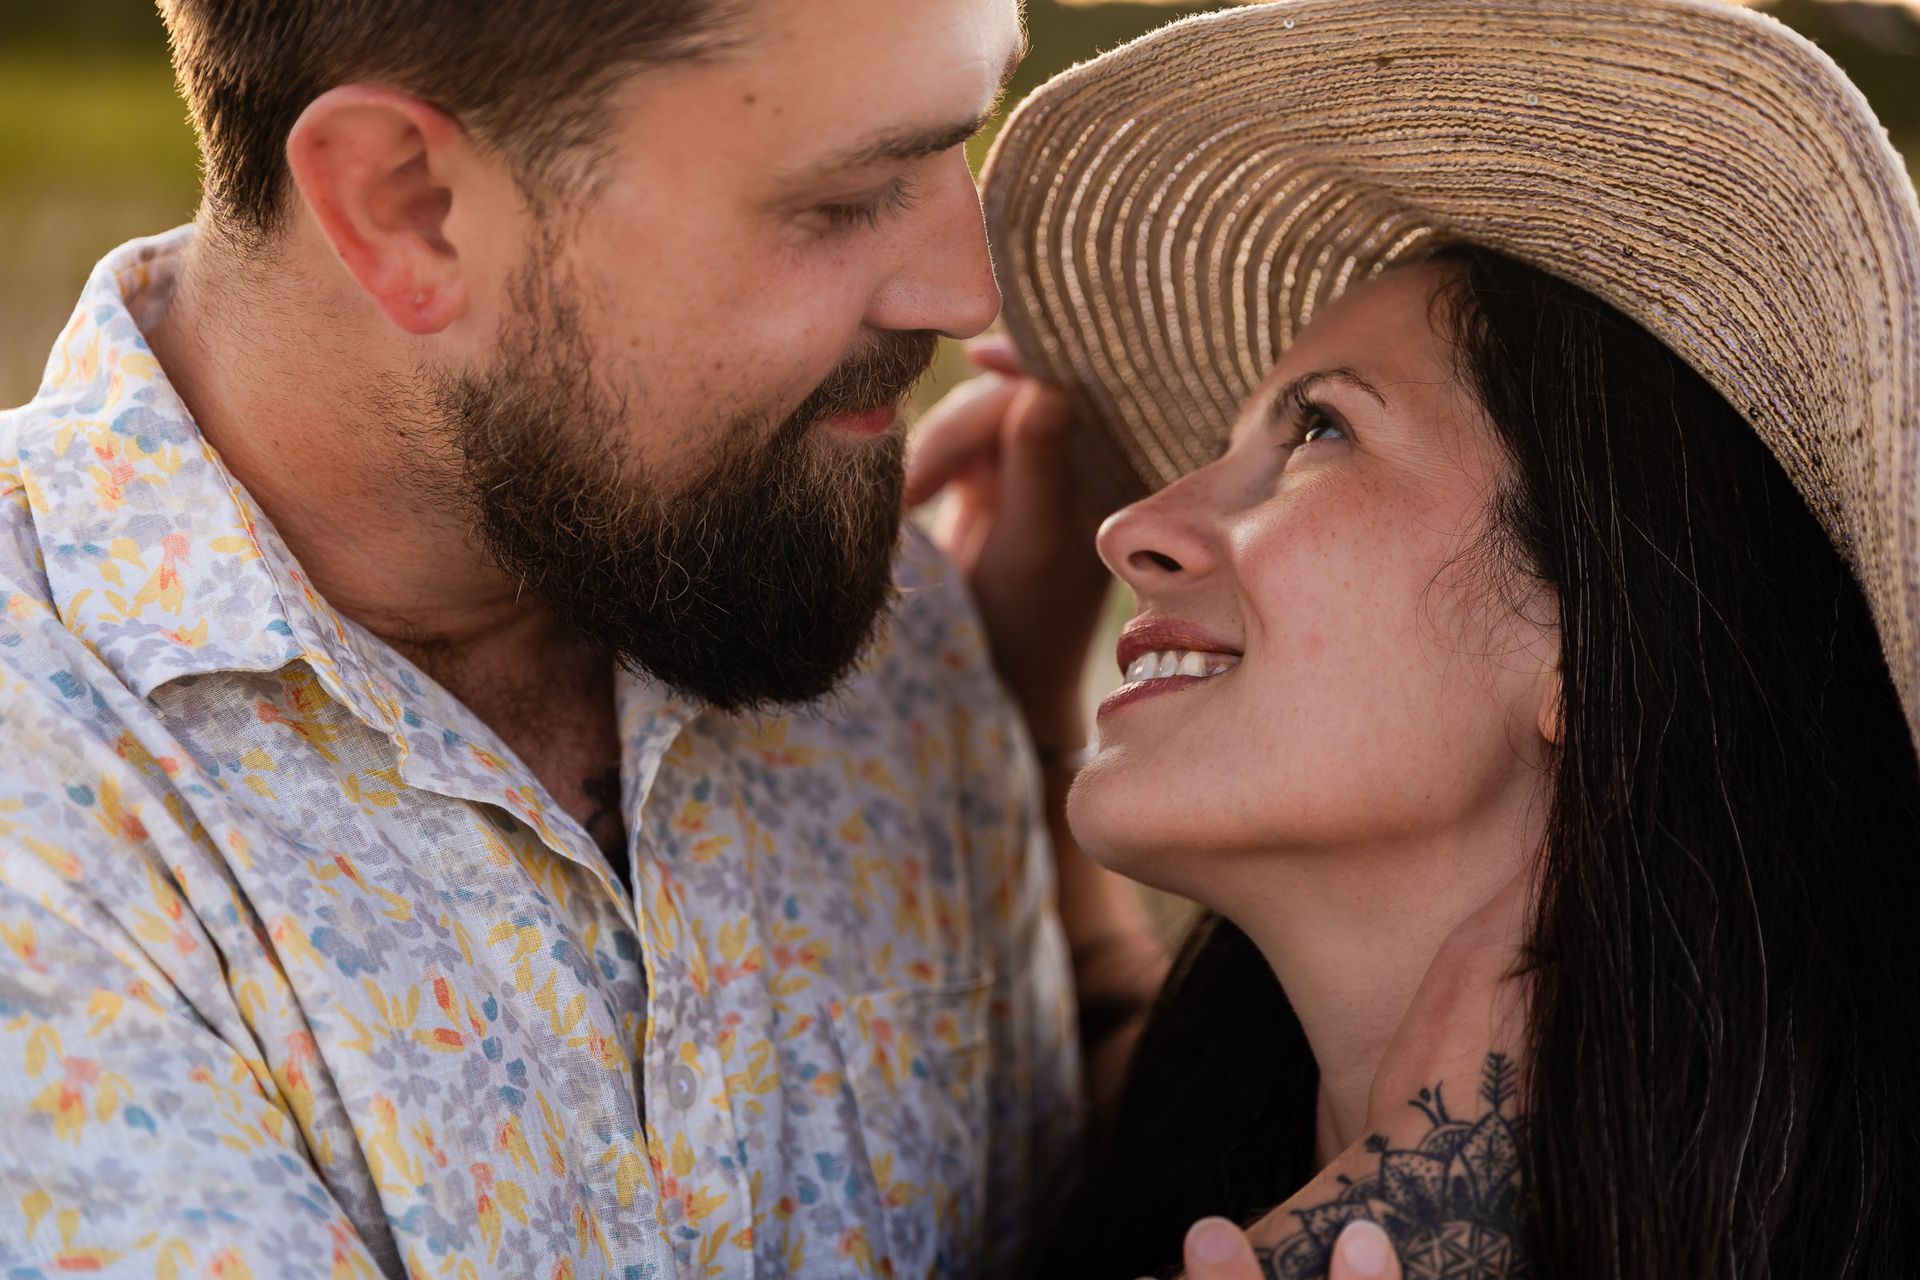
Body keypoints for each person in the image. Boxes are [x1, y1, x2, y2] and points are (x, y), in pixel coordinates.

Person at [0, 2, 1095, 1276]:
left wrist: (1053, 751)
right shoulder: (42, 791)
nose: (969, 292)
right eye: (846, 198)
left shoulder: (874, 609)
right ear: (407, 203)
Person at [927, 0, 1920, 1274]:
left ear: (1591, 636)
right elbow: (1112, 1014)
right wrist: (1018, 712)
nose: (1134, 526)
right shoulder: (1209, 1151)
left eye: (1319, 431)